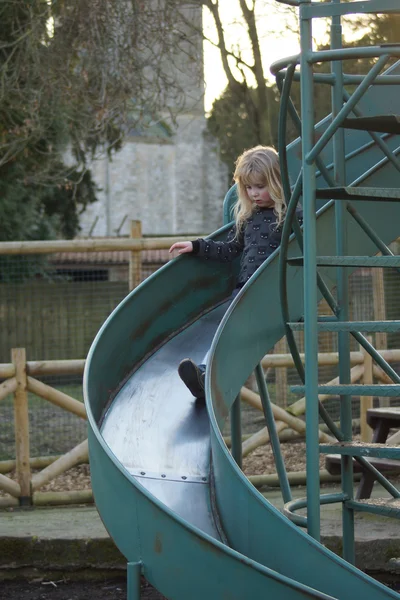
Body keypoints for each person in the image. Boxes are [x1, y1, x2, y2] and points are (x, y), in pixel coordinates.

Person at [169, 145, 300, 399]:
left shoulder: (291, 215)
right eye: (249, 188)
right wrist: (196, 246)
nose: (254, 194)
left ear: (275, 182)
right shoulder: (248, 218)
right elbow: (229, 250)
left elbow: (304, 246)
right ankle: (205, 375)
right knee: (224, 331)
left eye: (260, 186)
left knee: (237, 332)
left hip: (272, 289)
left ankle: (213, 375)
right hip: (244, 289)